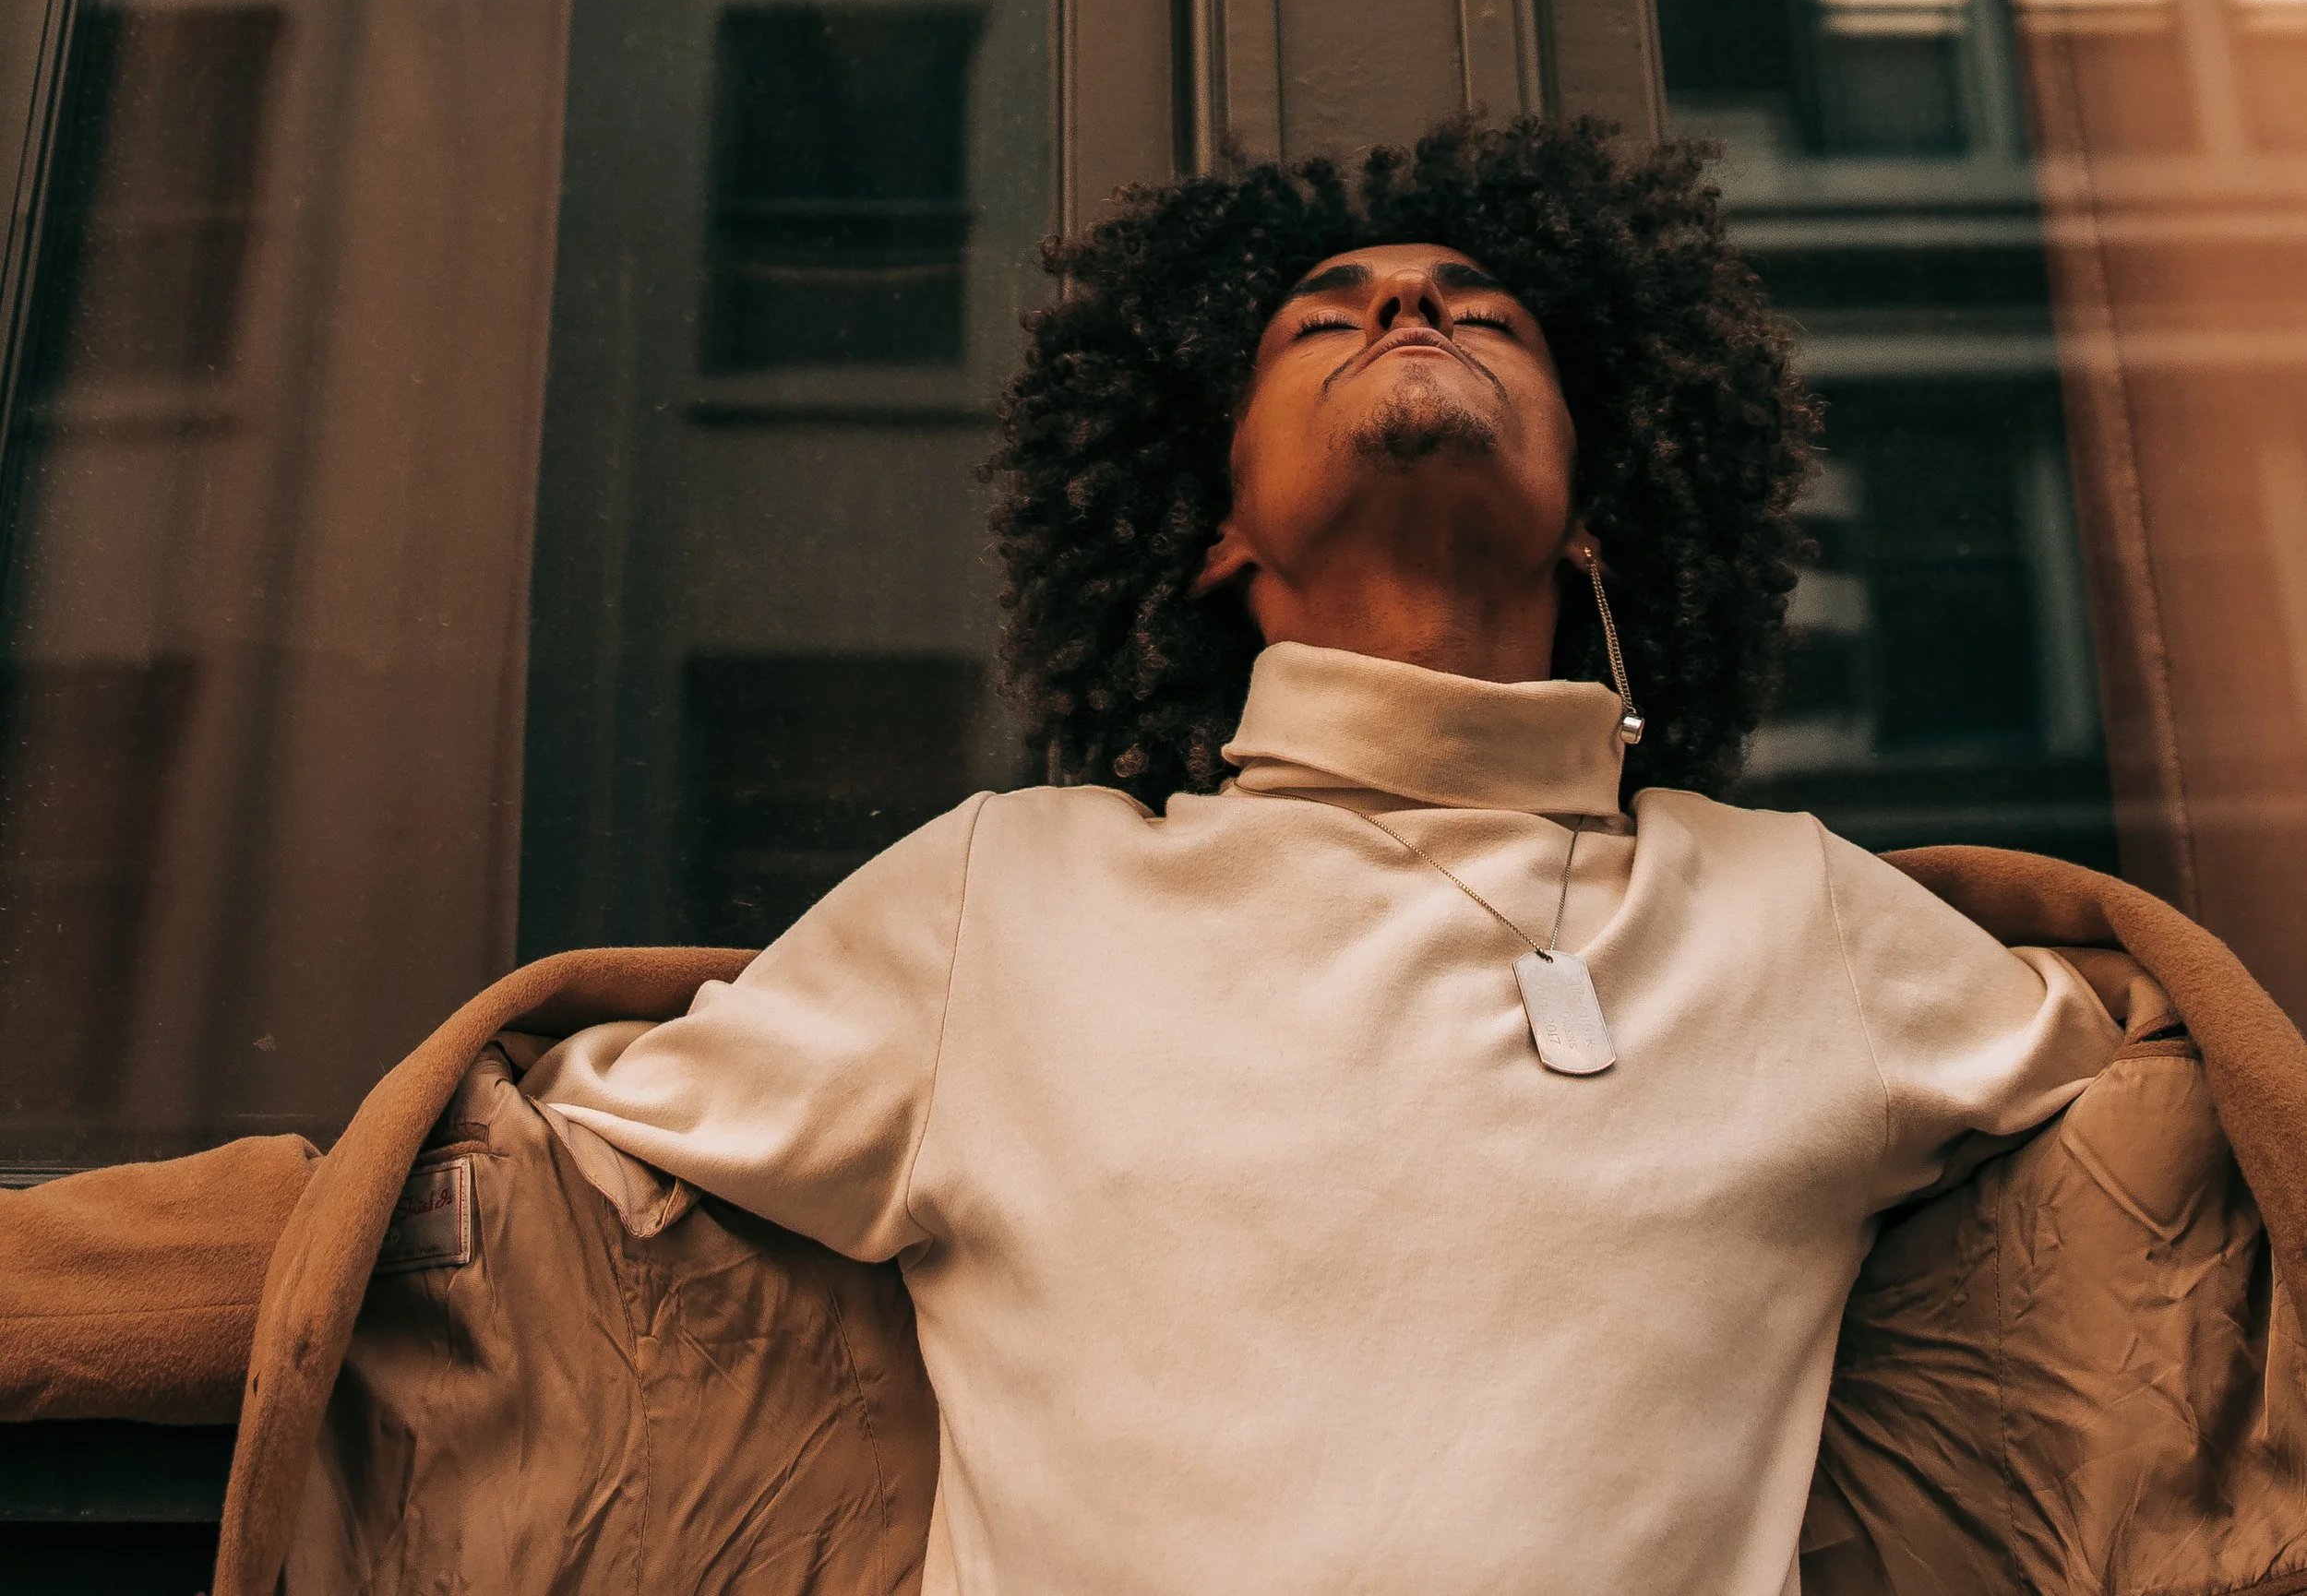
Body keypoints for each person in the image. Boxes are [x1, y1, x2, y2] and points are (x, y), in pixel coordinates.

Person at [524, 117, 2122, 1596]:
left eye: (1485, 312)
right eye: (1322, 315)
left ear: (1592, 517)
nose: (1410, 304)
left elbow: (2177, 1135)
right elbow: (540, 1192)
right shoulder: (1004, 900)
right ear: (1217, 532)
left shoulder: (1803, 913)